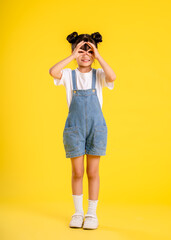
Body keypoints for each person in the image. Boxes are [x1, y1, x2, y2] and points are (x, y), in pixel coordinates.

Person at [49, 32, 116, 230]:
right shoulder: (69, 75)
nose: (85, 54)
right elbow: (53, 71)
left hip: (96, 129)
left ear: (94, 54)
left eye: (89, 51)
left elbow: (113, 76)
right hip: (75, 129)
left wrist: (98, 55)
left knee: (92, 172)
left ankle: (91, 214)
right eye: (81, 50)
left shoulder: (100, 75)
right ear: (74, 51)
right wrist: (72, 56)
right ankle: (77, 213)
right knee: (77, 172)